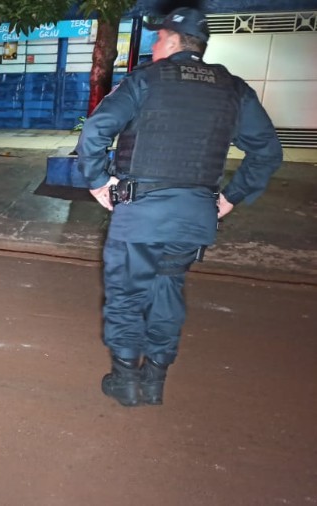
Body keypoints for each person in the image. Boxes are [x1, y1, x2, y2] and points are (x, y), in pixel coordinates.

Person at [76, 7, 283, 407]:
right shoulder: (233, 89)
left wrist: (98, 181)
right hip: (194, 217)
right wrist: (230, 197)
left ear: (172, 41)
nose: (154, 46)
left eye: (158, 39)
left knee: (127, 295)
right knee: (167, 289)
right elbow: (267, 152)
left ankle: (126, 381)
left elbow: (96, 131)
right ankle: (154, 380)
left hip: (142, 214)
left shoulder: (146, 80)